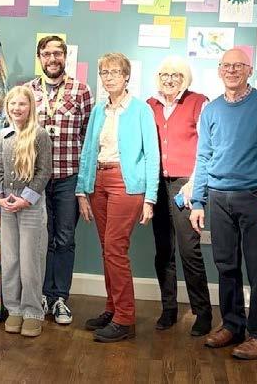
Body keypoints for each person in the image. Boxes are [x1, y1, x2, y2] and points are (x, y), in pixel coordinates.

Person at [190, 48, 257, 360]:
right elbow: (204, 157)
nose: (232, 70)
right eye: (226, 65)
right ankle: (232, 324)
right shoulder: (211, 110)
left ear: (250, 70)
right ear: (219, 70)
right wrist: (197, 201)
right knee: (226, 265)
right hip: (219, 198)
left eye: (239, 66)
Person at [76, 53, 160, 342]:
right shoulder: (99, 111)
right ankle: (112, 309)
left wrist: (150, 198)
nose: (109, 77)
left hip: (126, 182)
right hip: (98, 181)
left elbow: (152, 155)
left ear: (126, 76)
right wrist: (81, 190)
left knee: (115, 249)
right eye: (104, 72)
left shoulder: (141, 110)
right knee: (107, 249)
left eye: (115, 72)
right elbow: (88, 151)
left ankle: (125, 318)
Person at [26, 36, 93, 325]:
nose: (52, 59)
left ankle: (60, 298)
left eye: (57, 53)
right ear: (39, 58)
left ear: (65, 57)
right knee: (41, 239)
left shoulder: (81, 90)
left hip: (69, 178)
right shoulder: (29, 91)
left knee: (64, 239)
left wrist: (85, 182)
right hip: (37, 179)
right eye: (46, 54)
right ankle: (41, 295)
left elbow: (88, 137)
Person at [146, 56, 212, 336]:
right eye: (164, 74)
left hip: (186, 184)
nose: (169, 79)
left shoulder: (198, 102)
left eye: (176, 75)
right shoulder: (150, 105)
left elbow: (207, 146)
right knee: (163, 251)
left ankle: (203, 312)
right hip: (157, 184)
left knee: (189, 249)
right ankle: (168, 309)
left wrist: (194, 183)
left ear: (185, 78)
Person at [0, 86, 52, 337]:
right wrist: (0, 196)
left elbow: (44, 172)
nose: (17, 108)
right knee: (10, 260)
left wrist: (25, 200)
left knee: (30, 261)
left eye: (22, 104)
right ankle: (14, 308)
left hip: (30, 207)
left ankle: (32, 311)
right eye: (13, 104)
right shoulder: (2, 136)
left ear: (30, 108)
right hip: (7, 205)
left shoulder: (40, 135)